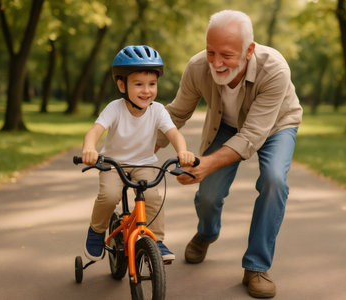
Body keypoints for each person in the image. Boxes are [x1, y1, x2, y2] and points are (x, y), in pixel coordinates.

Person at [156, 10, 302, 298]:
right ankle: (207, 233)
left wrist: (206, 164)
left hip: (275, 126)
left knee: (274, 181)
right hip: (225, 125)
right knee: (208, 194)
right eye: (211, 52)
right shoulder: (198, 67)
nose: (217, 62)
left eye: (226, 54)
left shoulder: (274, 69)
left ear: (249, 50)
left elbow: (251, 137)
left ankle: (257, 266)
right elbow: (177, 113)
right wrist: (143, 147)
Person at [81, 45, 195, 264]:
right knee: (110, 196)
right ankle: (96, 231)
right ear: (122, 85)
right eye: (139, 84)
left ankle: (157, 240)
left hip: (145, 164)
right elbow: (95, 131)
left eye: (152, 84)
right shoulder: (115, 108)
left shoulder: (158, 110)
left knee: (152, 197)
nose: (147, 91)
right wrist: (89, 148)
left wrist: (183, 152)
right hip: (113, 164)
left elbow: (174, 134)